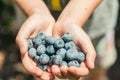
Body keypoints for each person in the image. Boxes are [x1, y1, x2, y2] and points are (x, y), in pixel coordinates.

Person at [14, 0, 102, 80]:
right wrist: (38, 11)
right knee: (43, 73)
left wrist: (72, 19)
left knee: (100, 65)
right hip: (31, 7)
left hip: (94, 24)